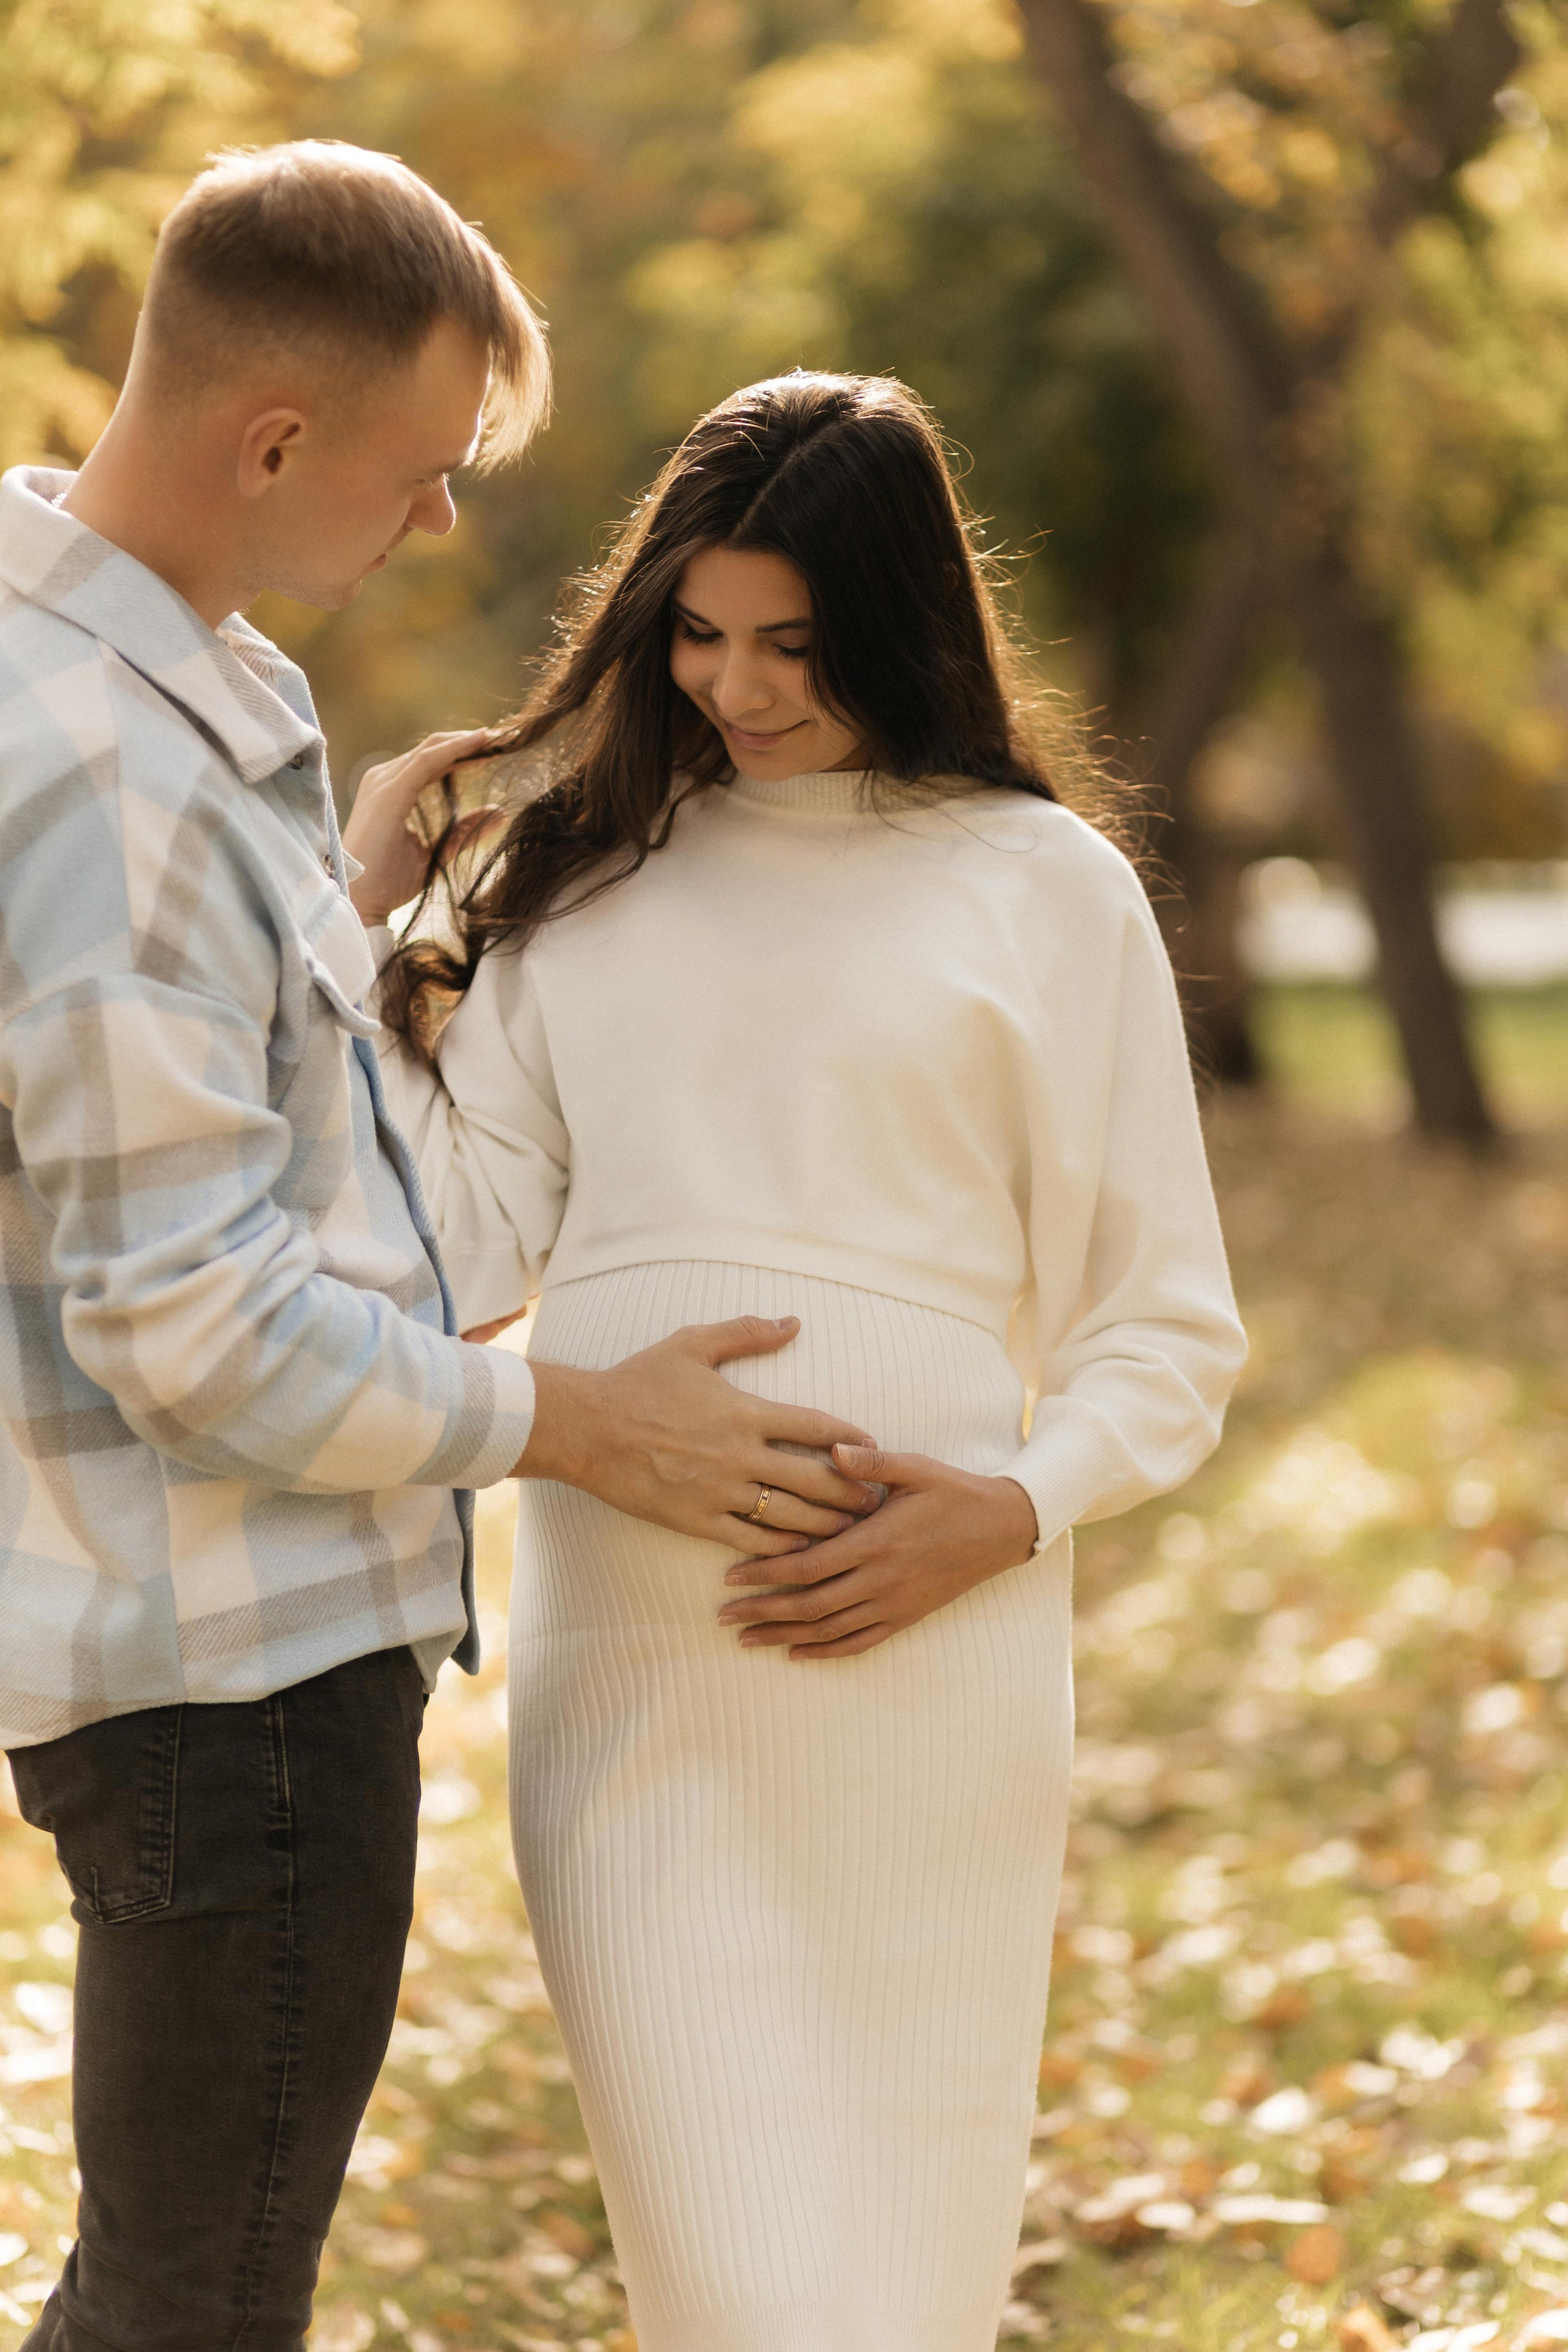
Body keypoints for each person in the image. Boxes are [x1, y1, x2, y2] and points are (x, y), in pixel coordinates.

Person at [0, 151, 879, 2352]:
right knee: (189, 2310)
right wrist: (576, 1428)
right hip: (236, 1678)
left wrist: (358, 905)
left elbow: (222, 1132)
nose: (437, 526)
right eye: (419, 474)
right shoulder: (106, 778)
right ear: (273, 441)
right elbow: (195, 1325)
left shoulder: (164, 684)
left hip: (210, 1653)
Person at [353, 370, 1250, 2352]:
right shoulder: (584, 879)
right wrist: (377, 924)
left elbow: (1166, 1325)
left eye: (794, 645)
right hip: (640, 1677)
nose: (735, 689)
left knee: (890, 2293)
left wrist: (1010, 1513)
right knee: (730, 2284)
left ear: (905, 625)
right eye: (695, 632)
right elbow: (433, 1244)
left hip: (928, 1677)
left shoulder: (1044, 887)